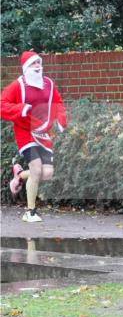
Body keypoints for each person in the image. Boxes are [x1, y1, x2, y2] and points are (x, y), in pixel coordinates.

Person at [1, 51, 67, 222]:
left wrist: (61, 119)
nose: (37, 66)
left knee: (47, 173)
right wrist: (20, 108)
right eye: (33, 63)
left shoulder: (49, 84)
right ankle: (30, 212)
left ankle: (20, 175)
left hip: (42, 132)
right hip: (25, 132)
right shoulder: (17, 86)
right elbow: (2, 104)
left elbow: (58, 102)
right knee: (37, 169)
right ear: (25, 67)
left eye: (39, 62)